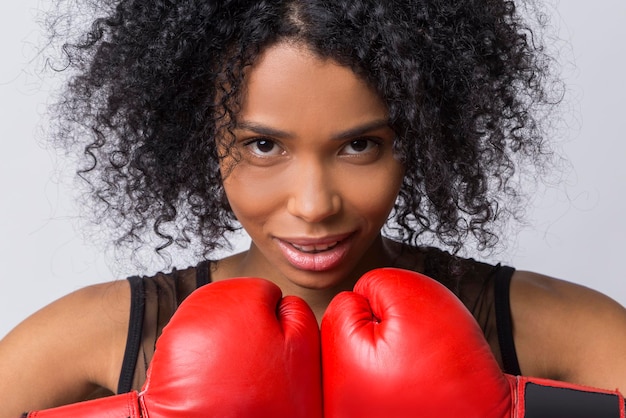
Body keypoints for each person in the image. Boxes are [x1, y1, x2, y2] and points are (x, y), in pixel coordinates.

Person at [1, 0, 625, 415]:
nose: (313, 204)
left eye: (360, 145)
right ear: (201, 136)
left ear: (422, 137)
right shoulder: (94, 340)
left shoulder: (562, 331)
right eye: (263, 145)